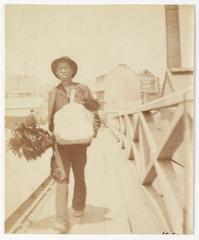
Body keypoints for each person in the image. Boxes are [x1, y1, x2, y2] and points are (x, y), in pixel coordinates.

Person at [48, 56, 99, 233]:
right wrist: (51, 136)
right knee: (62, 177)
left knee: (79, 174)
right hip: (61, 143)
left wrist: (83, 102)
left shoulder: (82, 88)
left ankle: (78, 206)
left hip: (80, 142)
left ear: (72, 70)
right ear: (56, 73)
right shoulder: (54, 92)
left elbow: (95, 109)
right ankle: (61, 220)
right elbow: (49, 117)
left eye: (66, 68)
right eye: (59, 69)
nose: (62, 71)